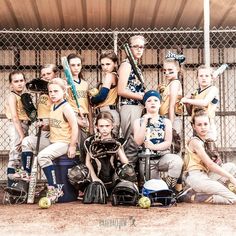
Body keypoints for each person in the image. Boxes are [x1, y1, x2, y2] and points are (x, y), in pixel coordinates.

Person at [22, 78, 78, 203]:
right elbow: (54, 125)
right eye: (50, 91)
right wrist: (43, 125)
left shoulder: (66, 107)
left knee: (42, 156)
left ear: (64, 91)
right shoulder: (53, 106)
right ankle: (26, 173)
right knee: (27, 141)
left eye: (56, 91)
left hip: (64, 142)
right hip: (53, 140)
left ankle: (53, 189)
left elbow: (75, 126)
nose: (52, 94)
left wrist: (72, 146)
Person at [177, 109, 236, 204]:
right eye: (199, 125)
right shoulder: (195, 142)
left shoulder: (205, 141)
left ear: (209, 124)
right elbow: (210, 165)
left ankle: (200, 190)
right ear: (194, 126)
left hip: (205, 175)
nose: (203, 127)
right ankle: (193, 196)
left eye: (205, 124)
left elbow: (216, 164)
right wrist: (231, 178)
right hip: (195, 178)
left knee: (231, 167)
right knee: (233, 198)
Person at [133, 90, 183, 192]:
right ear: (145, 106)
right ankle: (162, 188)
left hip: (162, 157)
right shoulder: (138, 121)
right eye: (149, 101)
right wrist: (145, 122)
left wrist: (153, 147)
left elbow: (167, 143)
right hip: (147, 161)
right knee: (154, 189)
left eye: (156, 100)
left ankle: (170, 189)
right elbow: (138, 141)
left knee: (177, 161)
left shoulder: (166, 122)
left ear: (160, 104)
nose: (152, 102)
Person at [21, 64, 59, 175]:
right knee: (29, 144)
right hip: (43, 130)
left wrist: (46, 124)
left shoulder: (57, 92)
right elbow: (40, 113)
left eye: (48, 73)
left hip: (53, 132)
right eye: (43, 75)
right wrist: (32, 113)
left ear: (55, 74)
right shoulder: (42, 92)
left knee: (46, 157)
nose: (46, 76)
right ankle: (27, 175)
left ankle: (54, 185)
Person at [84, 111, 133, 194]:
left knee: (128, 170)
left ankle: (121, 192)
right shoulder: (91, 141)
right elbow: (87, 162)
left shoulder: (118, 141)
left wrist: (118, 148)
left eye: (107, 126)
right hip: (96, 178)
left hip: (114, 179)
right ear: (97, 126)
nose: (104, 129)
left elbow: (125, 163)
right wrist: (95, 178)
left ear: (112, 126)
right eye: (101, 126)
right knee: (78, 172)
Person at [117, 35, 146, 166]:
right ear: (129, 48)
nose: (139, 50)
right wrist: (142, 97)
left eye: (142, 47)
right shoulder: (126, 65)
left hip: (137, 107)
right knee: (130, 142)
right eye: (136, 46)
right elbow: (121, 90)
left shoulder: (135, 65)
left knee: (136, 142)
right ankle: (128, 175)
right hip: (129, 107)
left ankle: (133, 173)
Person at [66, 53, 93, 163]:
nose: (76, 68)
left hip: (84, 119)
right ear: (68, 66)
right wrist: (76, 119)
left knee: (84, 149)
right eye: (72, 65)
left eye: (78, 65)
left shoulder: (85, 84)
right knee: (74, 150)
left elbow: (88, 106)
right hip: (73, 118)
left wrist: (91, 125)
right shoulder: (66, 84)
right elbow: (64, 106)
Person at [4, 71, 30, 185]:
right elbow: (15, 117)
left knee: (20, 155)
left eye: (21, 80)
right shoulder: (12, 96)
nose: (19, 83)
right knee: (15, 154)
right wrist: (22, 136)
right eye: (16, 81)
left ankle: (19, 186)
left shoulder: (22, 96)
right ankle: (11, 184)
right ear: (11, 84)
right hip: (17, 127)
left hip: (24, 126)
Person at [181, 65, 219, 141]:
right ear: (197, 78)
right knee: (198, 146)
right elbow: (190, 112)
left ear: (211, 78)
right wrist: (187, 104)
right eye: (201, 76)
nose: (204, 78)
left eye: (207, 76)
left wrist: (188, 100)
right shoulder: (195, 92)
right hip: (197, 124)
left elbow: (205, 102)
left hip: (207, 124)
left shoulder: (213, 89)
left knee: (209, 146)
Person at [89, 51, 120, 137]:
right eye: (102, 64)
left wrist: (91, 100)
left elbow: (102, 96)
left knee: (105, 144)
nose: (105, 67)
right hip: (109, 112)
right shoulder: (115, 75)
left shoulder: (109, 76)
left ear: (115, 63)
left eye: (108, 64)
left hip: (107, 112)